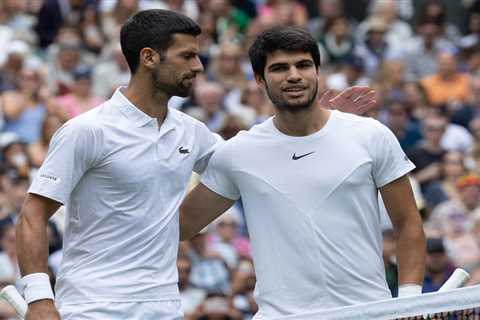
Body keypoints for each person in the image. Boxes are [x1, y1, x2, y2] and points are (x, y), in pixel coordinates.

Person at [15, 9, 376, 320]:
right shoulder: (86, 131)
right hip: (93, 305)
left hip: (164, 305)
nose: (198, 66)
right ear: (149, 58)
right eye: (187, 56)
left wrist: (321, 122)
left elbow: (256, 159)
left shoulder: (192, 132)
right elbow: (32, 215)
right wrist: (40, 298)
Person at [179, 26, 426, 319]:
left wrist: (409, 303)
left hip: (367, 312)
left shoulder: (372, 135)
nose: (294, 75)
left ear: (318, 72)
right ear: (260, 79)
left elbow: (408, 222)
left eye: (304, 65)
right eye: (280, 68)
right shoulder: (237, 153)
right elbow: (182, 225)